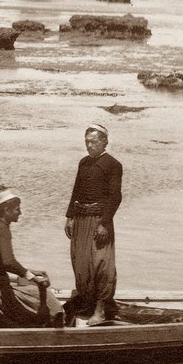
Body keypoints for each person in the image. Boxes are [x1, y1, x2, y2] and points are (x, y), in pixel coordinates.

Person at [0, 191, 65, 328]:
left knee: (31, 288)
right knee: (50, 302)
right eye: (17, 209)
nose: (20, 213)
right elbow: (8, 262)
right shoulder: (2, 230)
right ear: (6, 210)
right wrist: (32, 277)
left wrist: (30, 272)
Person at [64, 123, 123, 326]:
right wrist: (70, 217)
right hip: (80, 219)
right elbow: (76, 191)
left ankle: (100, 310)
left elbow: (116, 197)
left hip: (100, 221)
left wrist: (105, 223)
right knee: (81, 265)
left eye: (93, 141)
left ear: (104, 141)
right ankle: (88, 304)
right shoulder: (83, 163)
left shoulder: (113, 165)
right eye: (87, 141)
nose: (89, 145)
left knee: (101, 266)